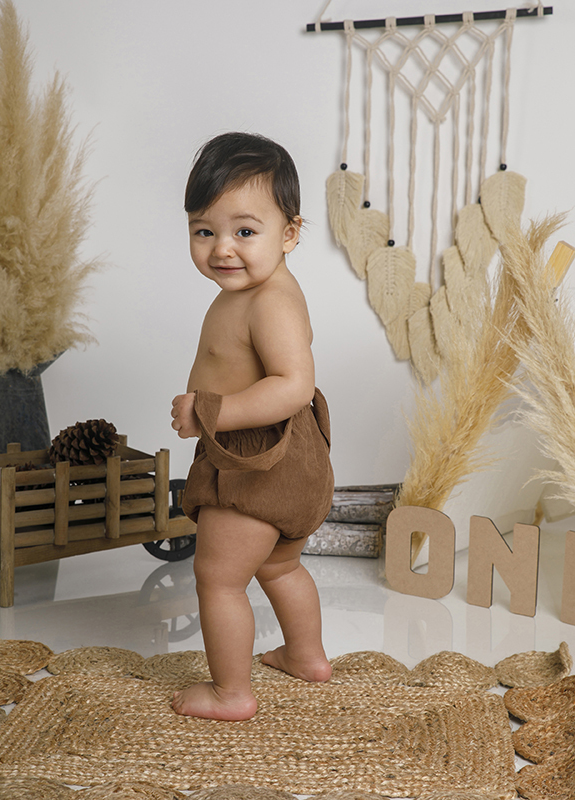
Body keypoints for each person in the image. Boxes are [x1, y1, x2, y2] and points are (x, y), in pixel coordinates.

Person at [169, 132, 334, 721]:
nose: (222, 249)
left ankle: (231, 693)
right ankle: (306, 656)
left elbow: (293, 384)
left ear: (290, 233)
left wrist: (210, 412)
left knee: (217, 578)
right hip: (286, 459)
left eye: (244, 231)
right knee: (279, 564)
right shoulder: (251, 290)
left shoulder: (271, 302)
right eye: (204, 231)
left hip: (258, 461)